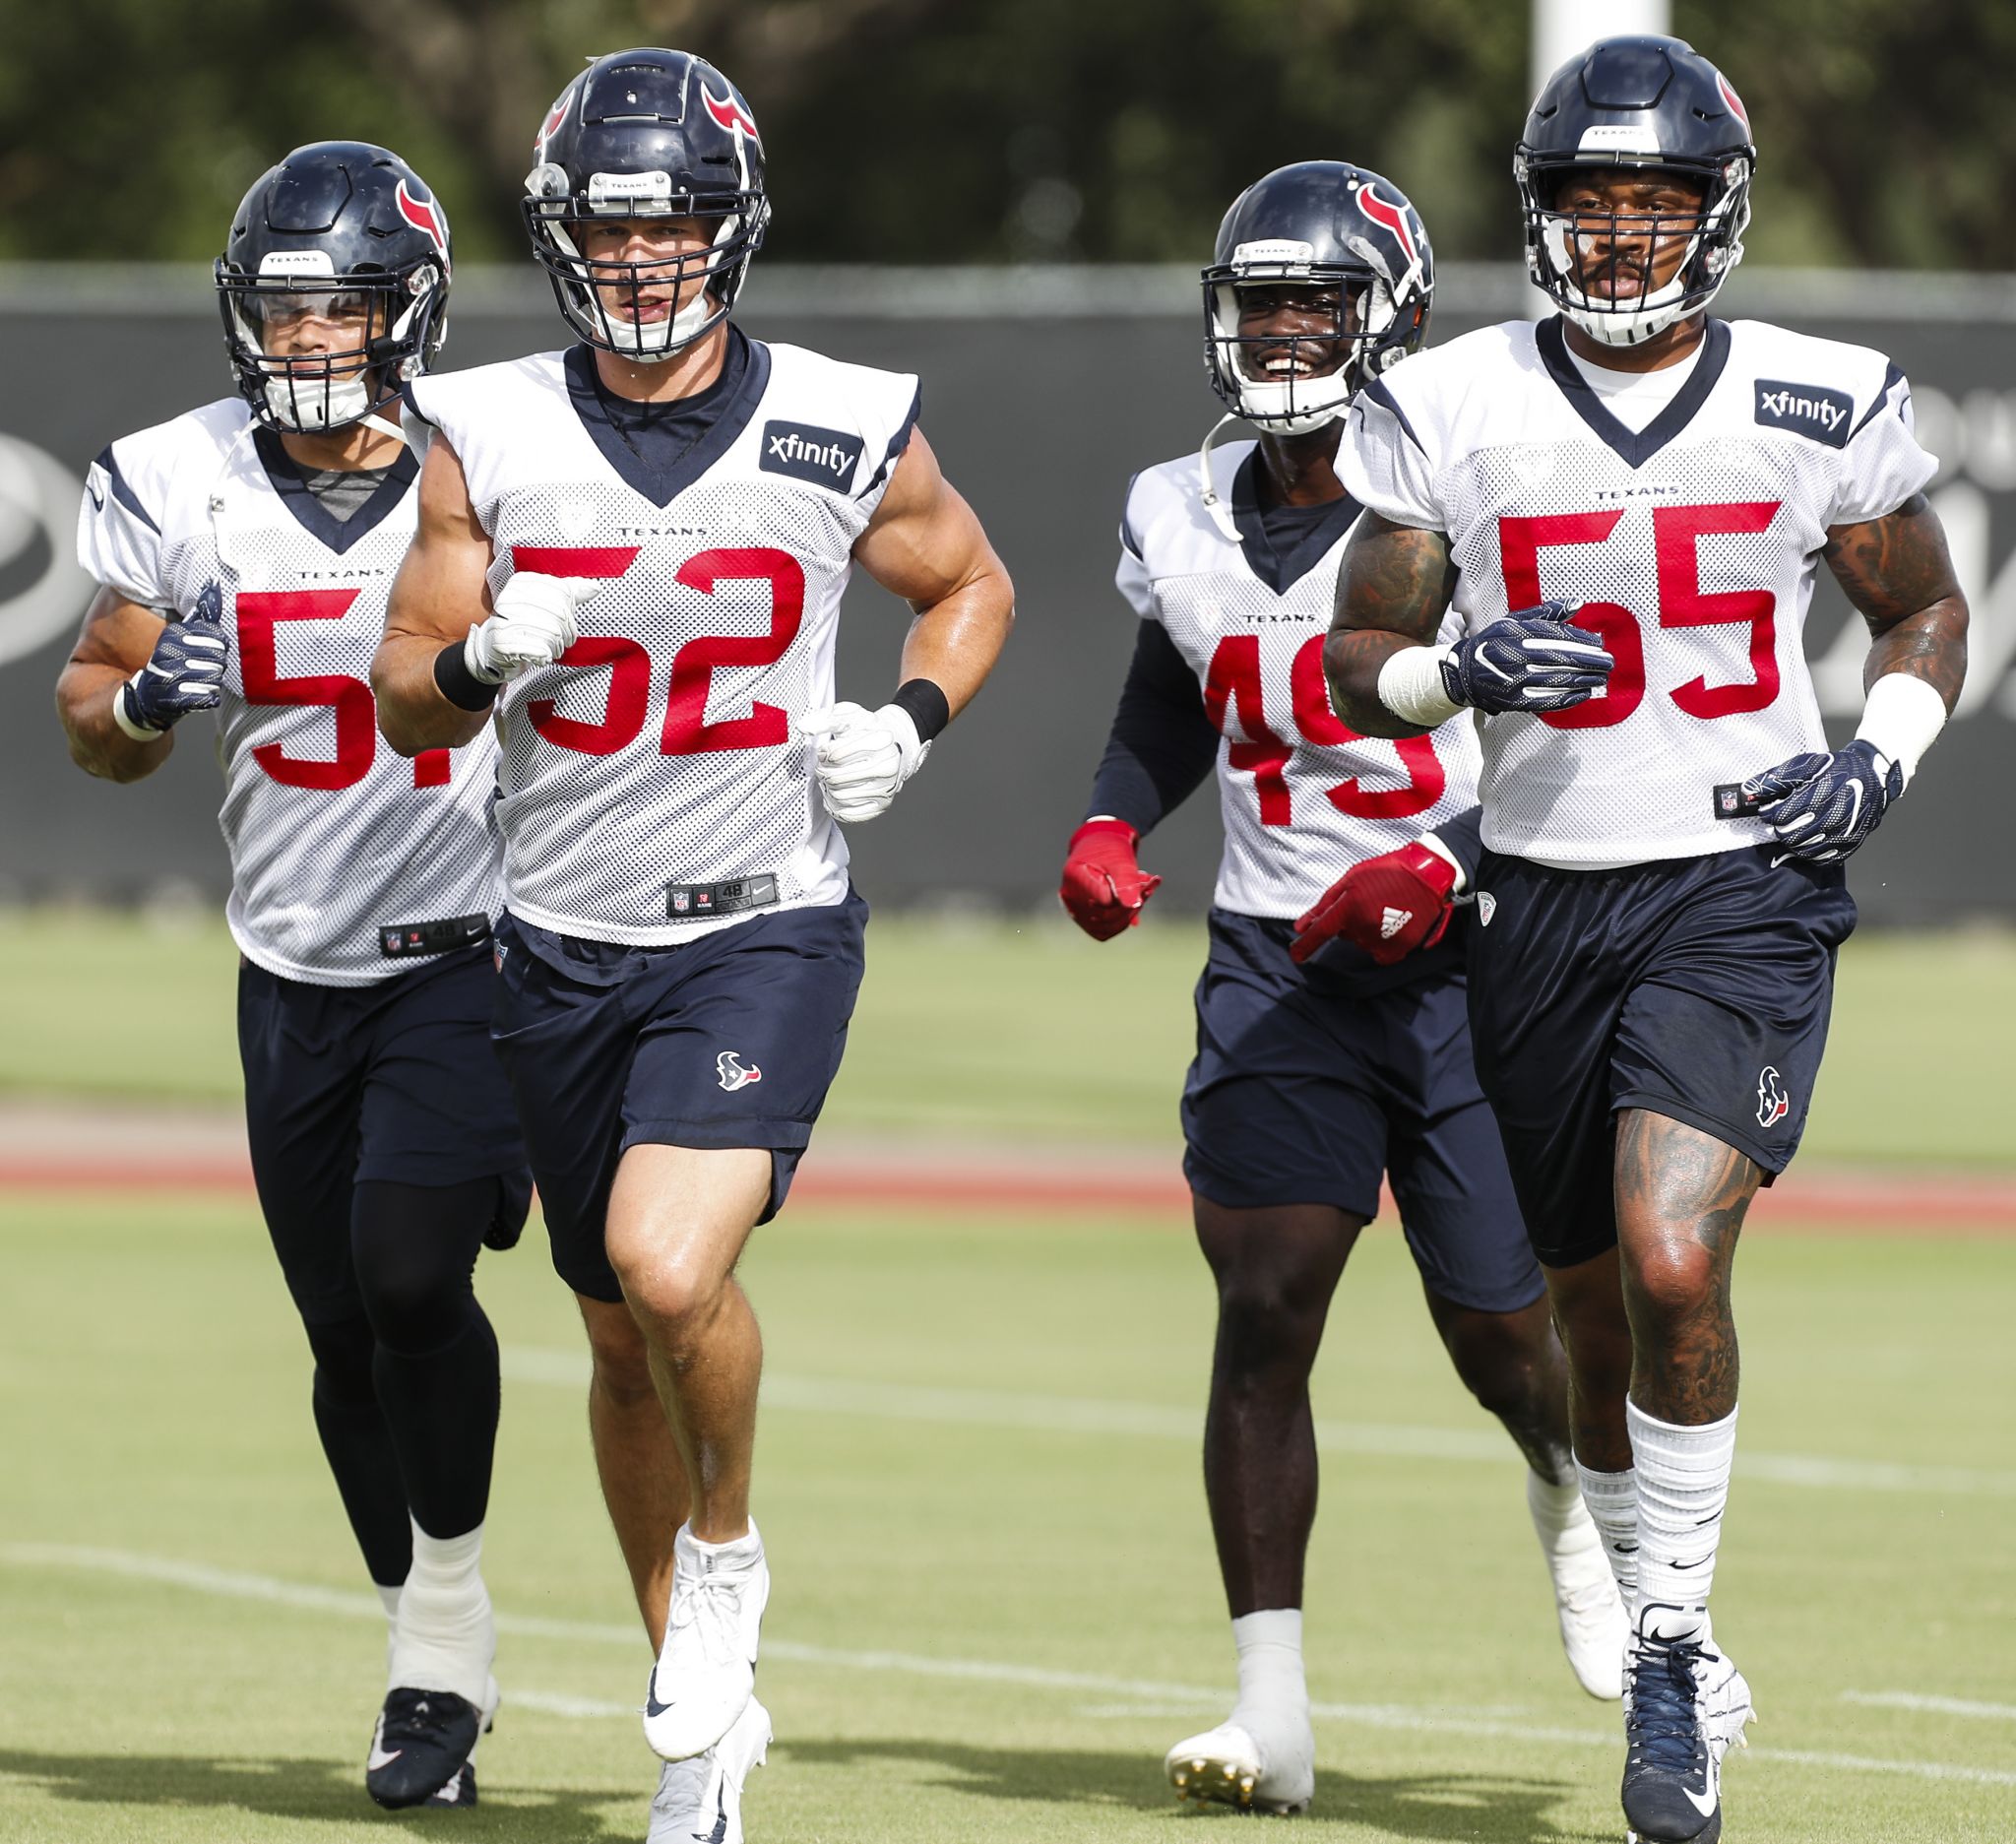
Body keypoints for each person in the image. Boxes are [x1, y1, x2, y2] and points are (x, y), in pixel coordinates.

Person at [1325, 36, 1969, 1844]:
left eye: (1657, 204)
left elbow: (1918, 603)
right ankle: (1646, 1580)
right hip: (1538, 889)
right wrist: (1455, 669)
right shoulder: (1450, 402)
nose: (1621, 239)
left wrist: (1881, 753)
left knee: (1671, 1250)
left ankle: (1673, 1645)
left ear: (1717, 214)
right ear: (1540, 218)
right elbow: (1352, 658)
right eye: (1590, 206)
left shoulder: (1814, 393)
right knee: (1584, 1312)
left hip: (1742, 882)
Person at [368, 47, 1014, 1844]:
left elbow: (970, 580)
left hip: (762, 927)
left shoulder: (840, 415)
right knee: (608, 1326)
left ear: (731, 234)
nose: (643, 263)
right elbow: (407, 699)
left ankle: (727, 1557)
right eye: (611, 228)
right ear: (565, 237)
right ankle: (693, 1747)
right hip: (557, 943)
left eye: (672, 229)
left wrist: (917, 716)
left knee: (667, 1270)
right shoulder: (486, 427)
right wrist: (487, 658)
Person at [1057, 160, 1627, 1818]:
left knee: (1504, 1338)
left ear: (1387, 315)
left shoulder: (1464, 479)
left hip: (1467, 946)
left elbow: (1564, 719)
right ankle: (1273, 1705)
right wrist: (1107, 813)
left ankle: (1565, 1488)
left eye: (1318, 302)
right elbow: (1175, 681)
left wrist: (1449, 863)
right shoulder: (1176, 501)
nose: (1287, 331)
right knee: (1263, 1299)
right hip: (1276, 952)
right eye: (1264, 302)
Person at [56, 143, 529, 1811]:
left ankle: (442, 1652)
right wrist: (141, 708)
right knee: (343, 1335)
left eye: (344, 305)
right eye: (286, 306)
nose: (312, 336)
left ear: (412, 314)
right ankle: (425, 1640)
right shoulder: (175, 476)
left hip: (470, 942)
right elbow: (93, 710)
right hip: (292, 961)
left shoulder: (492, 464)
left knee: (410, 1275)